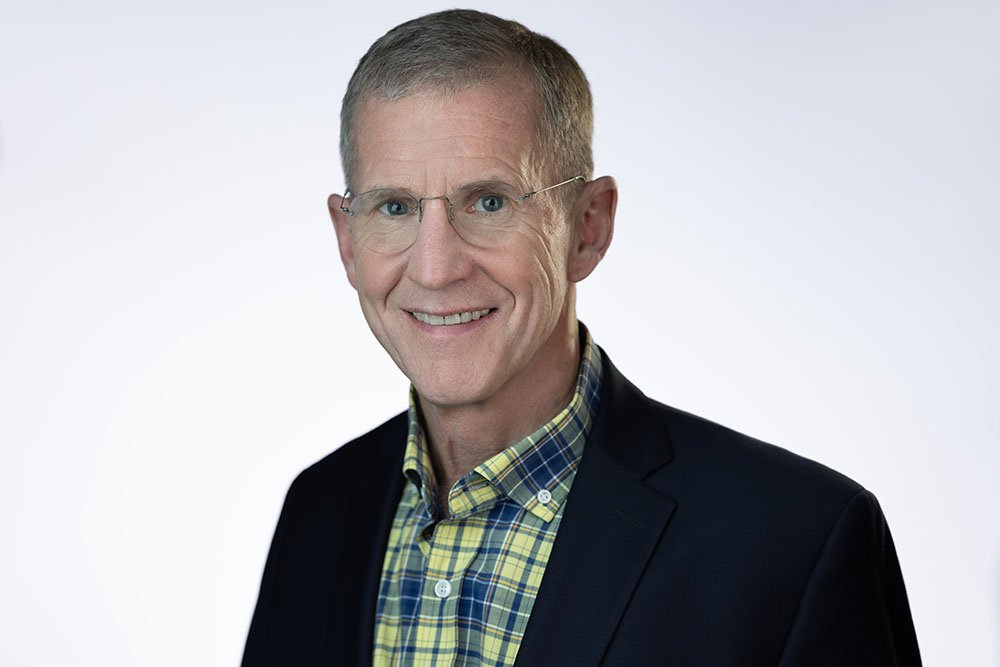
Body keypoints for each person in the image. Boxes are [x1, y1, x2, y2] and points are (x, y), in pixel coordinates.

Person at [242, 9, 921, 666]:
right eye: (394, 207)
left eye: (489, 202)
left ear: (588, 227)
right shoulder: (318, 511)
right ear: (348, 240)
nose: (435, 267)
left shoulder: (795, 543)